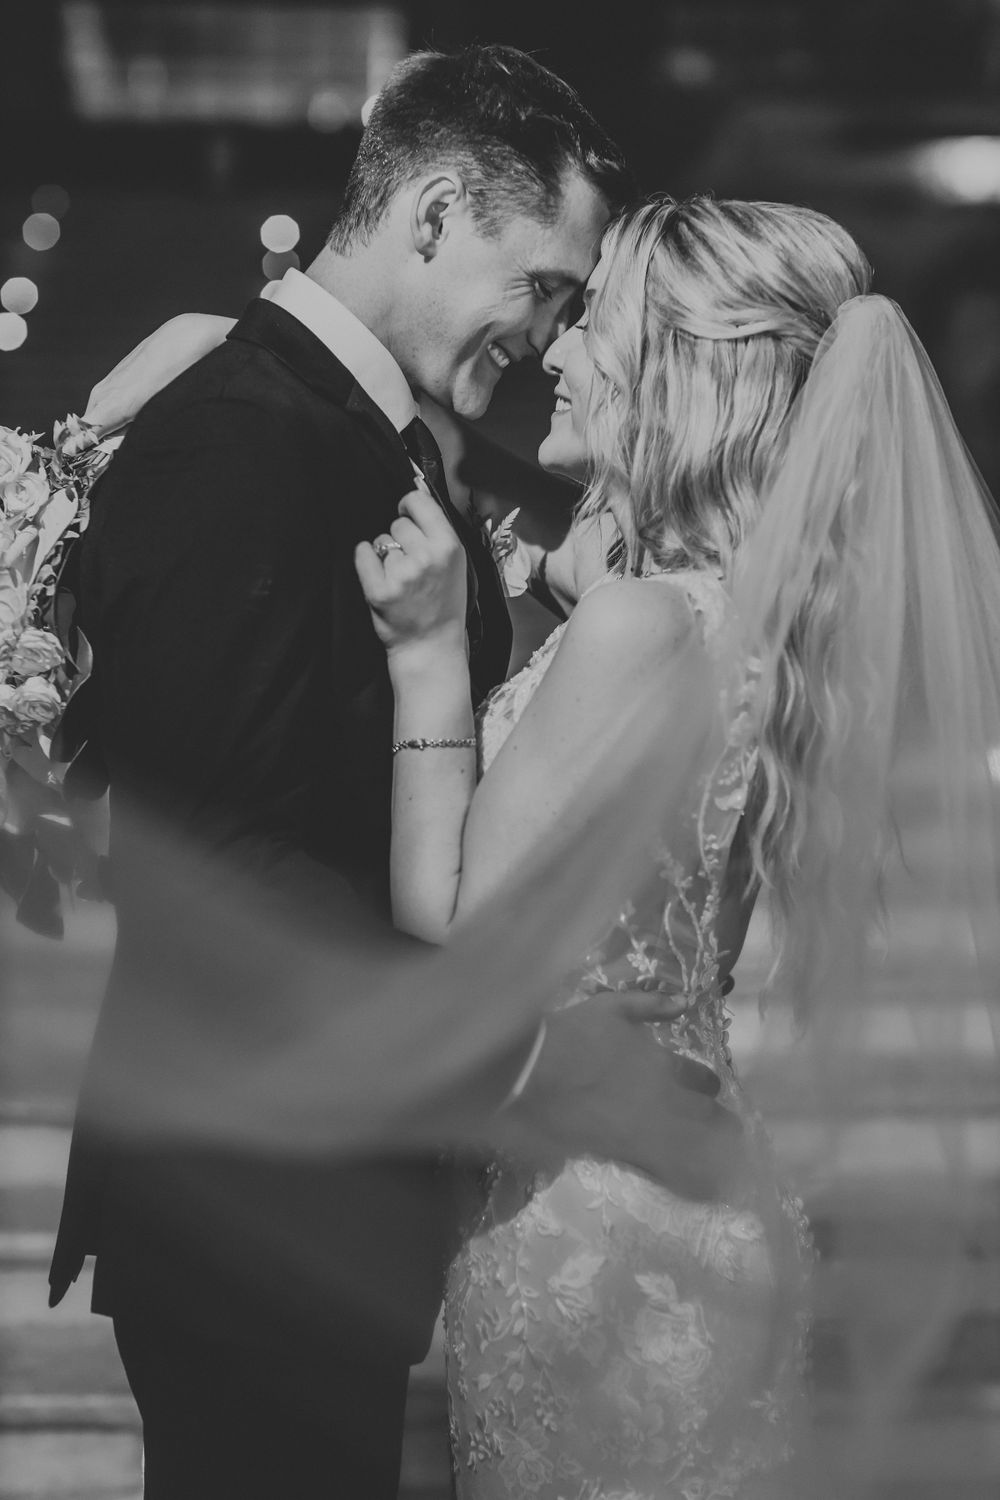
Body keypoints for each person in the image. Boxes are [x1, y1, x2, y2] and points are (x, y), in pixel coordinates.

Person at [46, 48, 741, 1500]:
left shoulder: (362, 432)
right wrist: (531, 1069)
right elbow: (222, 868)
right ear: (432, 215)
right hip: (250, 1197)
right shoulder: (239, 435)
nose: (547, 333)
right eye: (543, 284)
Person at [352, 192, 1000, 1496]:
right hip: (683, 1185)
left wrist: (425, 657)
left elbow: (451, 924)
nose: (555, 349)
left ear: (674, 370)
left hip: (599, 1225)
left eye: (592, 320)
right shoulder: (748, 619)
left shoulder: (636, 627)